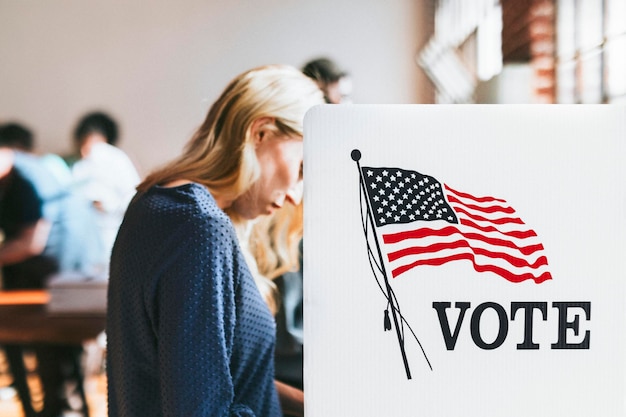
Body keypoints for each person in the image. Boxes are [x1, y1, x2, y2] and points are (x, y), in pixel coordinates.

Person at [106, 64, 324, 417]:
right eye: (300, 168)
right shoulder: (200, 227)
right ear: (261, 132)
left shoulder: (153, 203)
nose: (295, 197)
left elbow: (219, 382)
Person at [0, 123, 104, 417]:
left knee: (55, 343)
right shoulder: (16, 177)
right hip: (50, 270)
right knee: (43, 339)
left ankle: (63, 409)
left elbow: (31, 242)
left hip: (63, 269)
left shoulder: (27, 177)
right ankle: (54, 408)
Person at [70, 111, 141, 262]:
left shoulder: (115, 159)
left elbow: (134, 196)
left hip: (112, 231)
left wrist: (109, 206)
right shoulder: (79, 166)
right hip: (85, 238)